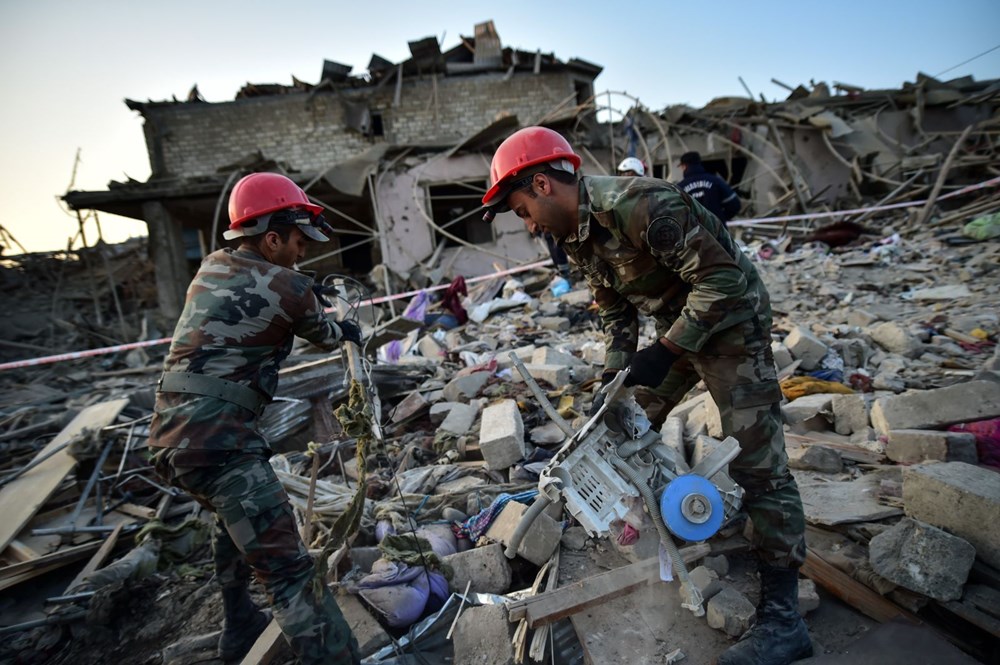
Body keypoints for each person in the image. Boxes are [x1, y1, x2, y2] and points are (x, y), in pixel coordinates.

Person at [481, 127, 812, 665]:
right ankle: (672, 524)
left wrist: (666, 350)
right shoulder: (574, 237)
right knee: (621, 427)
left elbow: (722, 281)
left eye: (522, 210)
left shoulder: (637, 204)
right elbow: (615, 315)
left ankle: (784, 621)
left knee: (760, 466)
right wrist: (612, 386)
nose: (528, 224)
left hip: (730, 325)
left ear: (542, 183)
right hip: (674, 329)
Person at [149, 172, 362, 664]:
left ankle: (239, 626)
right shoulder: (288, 284)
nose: (302, 252)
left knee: (232, 519)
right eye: (296, 240)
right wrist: (345, 325)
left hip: (170, 442)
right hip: (221, 445)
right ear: (270, 238)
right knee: (288, 572)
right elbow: (328, 334)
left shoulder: (209, 269)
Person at [676, 151, 741, 221]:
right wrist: (721, 219)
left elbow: (675, 213)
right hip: (716, 229)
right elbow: (734, 205)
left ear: (685, 166)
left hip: (694, 230)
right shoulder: (715, 181)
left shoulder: (680, 188)